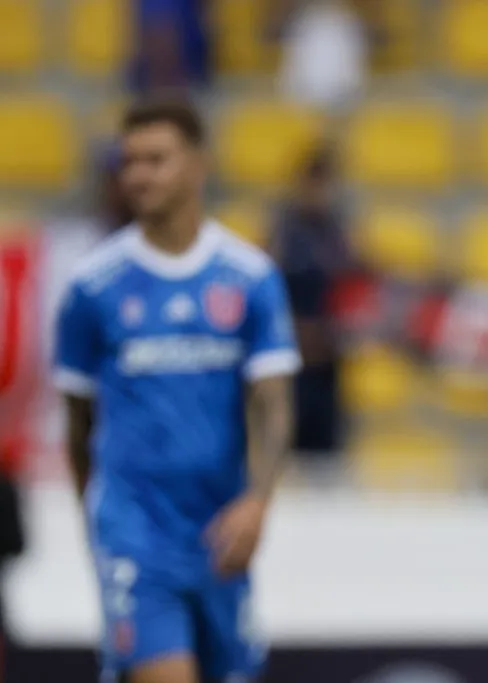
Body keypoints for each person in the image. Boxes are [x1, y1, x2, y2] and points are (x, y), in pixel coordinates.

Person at [53, 99, 300, 683]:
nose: (139, 174)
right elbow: (77, 422)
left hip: (219, 532)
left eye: (156, 159)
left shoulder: (249, 277)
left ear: (198, 165)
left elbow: (273, 405)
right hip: (135, 533)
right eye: (130, 161)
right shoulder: (92, 286)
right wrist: (97, 523)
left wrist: (258, 502)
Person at [267, 144, 357, 468]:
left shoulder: (337, 233)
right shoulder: (283, 233)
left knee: (325, 458)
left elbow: (351, 296)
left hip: (327, 365)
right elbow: (268, 295)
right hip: (290, 361)